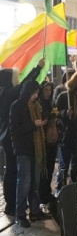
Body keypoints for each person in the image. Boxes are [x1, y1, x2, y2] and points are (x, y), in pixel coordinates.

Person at [10, 80, 52, 227]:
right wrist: (33, 125)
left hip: (36, 148)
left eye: (37, 93)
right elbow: (15, 129)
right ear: (28, 91)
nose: (36, 96)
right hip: (24, 149)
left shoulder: (37, 105)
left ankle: (35, 211)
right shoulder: (18, 106)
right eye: (35, 93)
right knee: (24, 182)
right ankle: (20, 214)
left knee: (35, 181)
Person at [0, 62, 41, 216]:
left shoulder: (2, 92)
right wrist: (38, 68)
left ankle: (11, 204)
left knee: (10, 171)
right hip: (11, 137)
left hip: (5, 136)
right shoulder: (8, 93)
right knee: (13, 172)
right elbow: (25, 85)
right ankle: (12, 205)